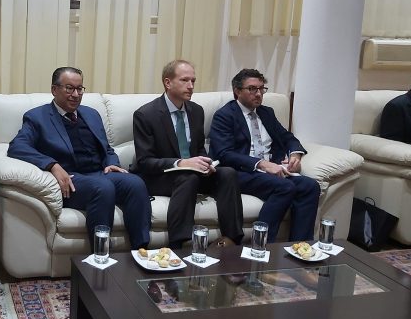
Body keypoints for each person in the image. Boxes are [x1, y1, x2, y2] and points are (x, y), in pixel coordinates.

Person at [7, 67, 151, 251]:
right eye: (69, 88)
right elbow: (17, 147)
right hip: (72, 179)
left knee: (135, 183)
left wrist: (112, 163)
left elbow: (106, 148)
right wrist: (52, 165)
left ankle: (141, 251)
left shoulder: (91, 114)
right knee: (103, 188)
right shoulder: (37, 117)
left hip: (100, 173)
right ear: (54, 90)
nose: (75, 95)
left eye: (79, 89)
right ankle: (101, 254)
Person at [132, 60, 243, 249]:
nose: (191, 86)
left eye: (193, 81)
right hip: (161, 177)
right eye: (185, 80)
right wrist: (181, 163)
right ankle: (181, 242)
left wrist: (206, 163)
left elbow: (199, 149)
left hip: (193, 173)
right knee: (187, 177)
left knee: (228, 173)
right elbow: (145, 162)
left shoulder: (196, 111)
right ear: (168, 83)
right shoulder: (146, 114)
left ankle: (231, 239)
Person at [208, 68, 319, 241]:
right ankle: (260, 244)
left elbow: (287, 137)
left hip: (272, 170)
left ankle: (299, 245)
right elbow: (224, 154)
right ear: (237, 91)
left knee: (310, 186)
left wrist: (295, 155)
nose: (259, 94)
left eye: (261, 89)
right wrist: (262, 164)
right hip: (242, 172)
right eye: (252, 89)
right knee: (285, 187)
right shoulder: (225, 115)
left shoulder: (267, 113)